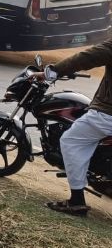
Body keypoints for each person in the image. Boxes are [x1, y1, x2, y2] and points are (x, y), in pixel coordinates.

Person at [31, 40, 112, 216]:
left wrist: (51, 71)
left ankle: (76, 201)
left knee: (70, 141)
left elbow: (85, 58)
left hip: (107, 114)